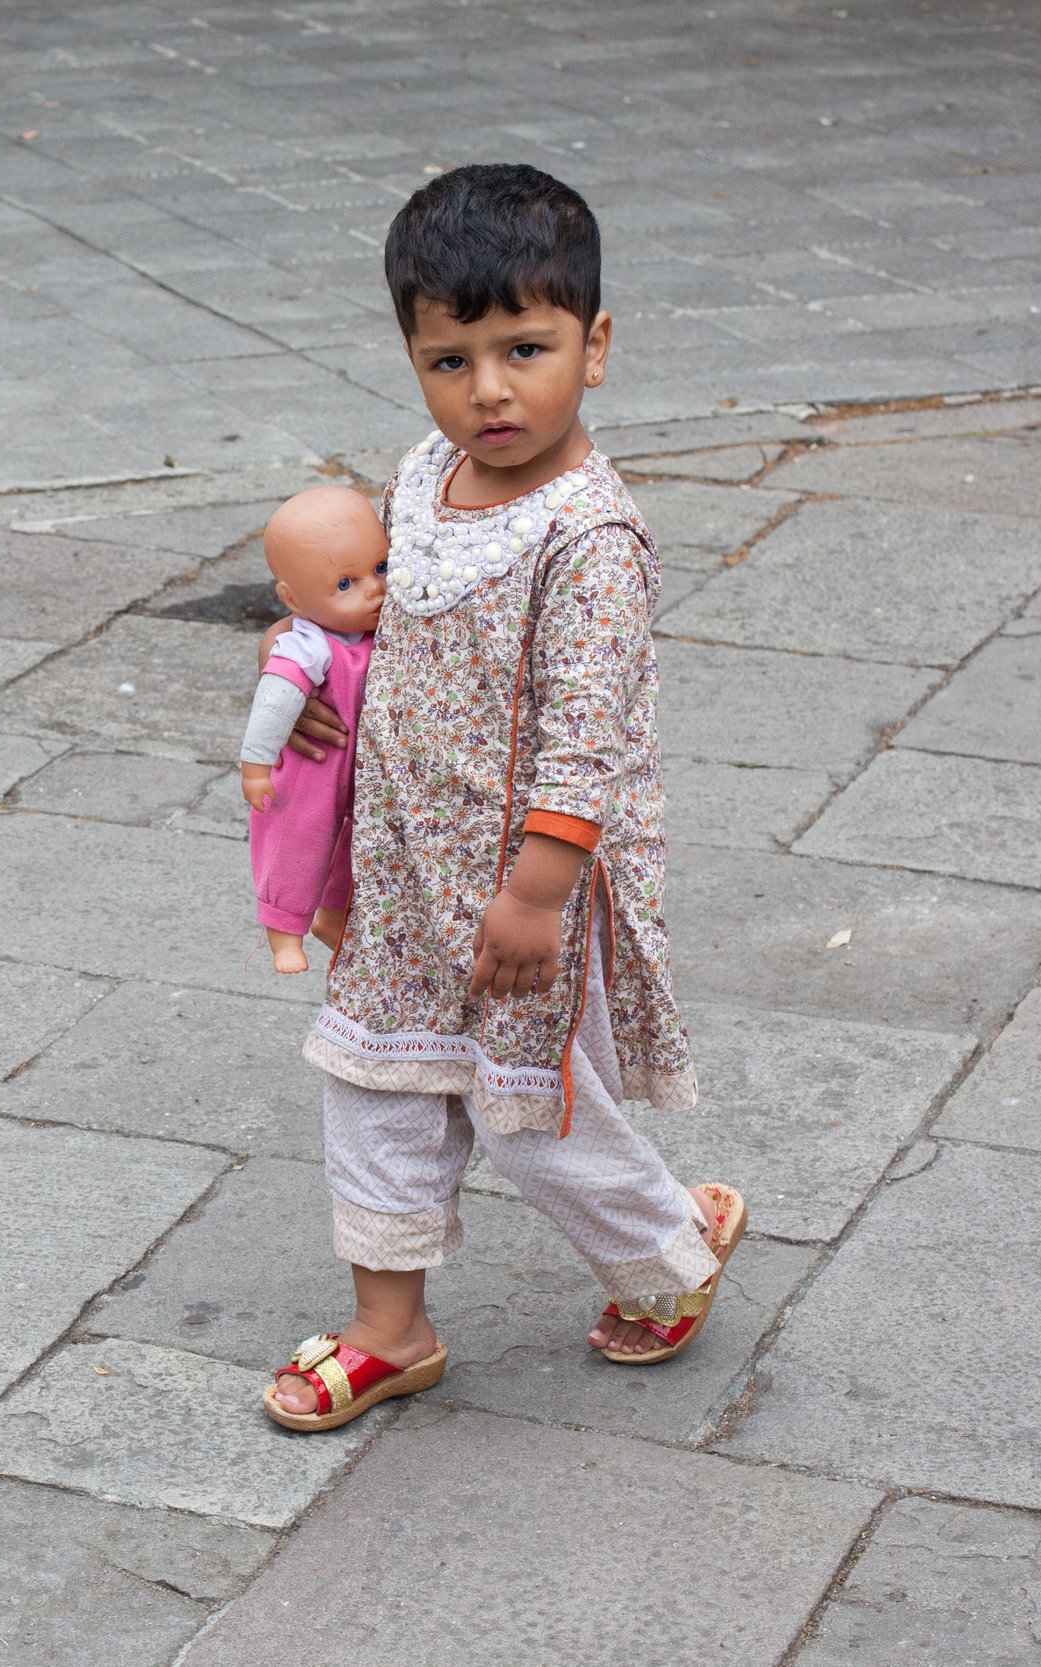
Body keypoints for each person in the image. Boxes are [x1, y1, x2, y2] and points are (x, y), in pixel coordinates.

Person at [259, 163, 745, 1433]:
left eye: (522, 348)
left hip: (525, 888)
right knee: (372, 1079)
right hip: (406, 871)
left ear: (594, 347)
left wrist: (534, 892)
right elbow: (375, 604)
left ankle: (666, 1258)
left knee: (529, 1109)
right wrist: (323, 683)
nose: (485, 390)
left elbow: (588, 741)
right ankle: (389, 1328)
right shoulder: (422, 475)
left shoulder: (588, 538)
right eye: (447, 358)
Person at [238, 486, 389, 975]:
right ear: (293, 600)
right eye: (346, 583)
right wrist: (255, 767)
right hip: (316, 766)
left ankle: (334, 916)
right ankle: (285, 932)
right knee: (295, 844)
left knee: (356, 847)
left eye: (381, 569)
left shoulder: (380, 626)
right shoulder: (307, 644)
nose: (374, 589)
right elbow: (275, 702)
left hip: (370, 768)